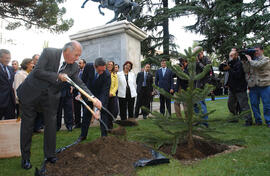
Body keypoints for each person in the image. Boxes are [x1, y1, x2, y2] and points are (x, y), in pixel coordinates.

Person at [17, 41, 101, 170]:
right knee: (28, 126)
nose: (78, 58)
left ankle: (50, 155)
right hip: (31, 94)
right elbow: (38, 71)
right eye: (76, 55)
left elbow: (79, 83)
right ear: (67, 50)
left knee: (51, 125)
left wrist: (93, 98)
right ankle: (25, 159)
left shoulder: (74, 67)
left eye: (79, 56)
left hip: (50, 98)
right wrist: (58, 76)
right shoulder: (49, 53)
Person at [78, 57, 111, 141]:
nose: (101, 72)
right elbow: (83, 82)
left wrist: (99, 109)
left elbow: (105, 92)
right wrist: (81, 93)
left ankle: (104, 136)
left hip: (100, 96)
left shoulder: (107, 75)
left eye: (103, 70)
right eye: (100, 70)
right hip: (89, 94)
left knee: (103, 115)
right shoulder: (88, 67)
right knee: (86, 115)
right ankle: (83, 135)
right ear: (95, 66)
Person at [221, 50, 252, 126]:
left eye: (231, 56)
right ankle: (234, 118)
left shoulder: (239, 63)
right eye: (229, 56)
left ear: (236, 55)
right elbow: (221, 69)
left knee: (243, 105)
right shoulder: (230, 63)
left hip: (240, 88)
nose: (230, 57)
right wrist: (222, 65)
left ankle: (248, 120)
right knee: (230, 104)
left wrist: (229, 69)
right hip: (232, 88)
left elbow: (237, 75)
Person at [242, 45, 270, 127]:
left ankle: (268, 121)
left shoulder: (266, 59)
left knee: (267, 105)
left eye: (257, 50)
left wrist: (250, 60)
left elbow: (257, 65)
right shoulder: (251, 60)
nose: (255, 52)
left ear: (262, 51)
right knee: (254, 104)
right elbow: (246, 70)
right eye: (254, 51)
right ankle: (258, 121)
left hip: (264, 85)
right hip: (253, 85)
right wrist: (245, 61)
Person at [193, 46, 212, 127]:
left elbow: (207, 70)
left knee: (201, 103)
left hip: (203, 84)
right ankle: (199, 119)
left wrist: (198, 62)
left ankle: (204, 123)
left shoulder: (207, 59)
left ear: (201, 52)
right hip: (196, 84)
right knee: (195, 104)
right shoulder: (196, 61)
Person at [0, 49, 16, 120]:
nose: (8, 60)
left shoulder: (11, 68)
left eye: (9, 58)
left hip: (10, 100)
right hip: (1, 100)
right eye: (6, 58)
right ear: (0, 58)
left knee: (10, 120)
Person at [73, 58, 86, 128]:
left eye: (80, 63)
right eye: (78, 63)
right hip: (76, 92)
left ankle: (84, 123)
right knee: (76, 109)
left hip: (84, 93)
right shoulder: (76, 72)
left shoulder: (87, 72)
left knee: (85, 108)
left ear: (84, 64)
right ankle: (77, 123)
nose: (79, 64)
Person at [106, 61, 118, 129]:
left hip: (112, 95)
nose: (110, 66)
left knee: (111, 111)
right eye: (109, 64)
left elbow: (116, 86)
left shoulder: (114, 74)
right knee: (105, 111)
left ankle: (110, 126)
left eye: (111, 65)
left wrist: (112, 93)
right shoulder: (104, 73)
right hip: (105, 95)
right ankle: (104, 125)